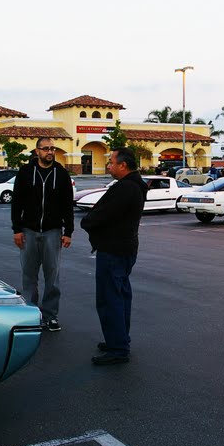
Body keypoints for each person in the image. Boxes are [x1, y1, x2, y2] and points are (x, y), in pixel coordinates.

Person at [80, 147, 146, 366]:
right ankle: (118, 340)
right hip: (124, 248)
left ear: (123, 165)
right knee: (120, 296)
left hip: (114, 250)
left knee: (111, 299)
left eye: (111, 162)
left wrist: (87, 223)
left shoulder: (126, 188)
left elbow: (103, 214)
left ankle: (118, 348)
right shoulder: (133, 186)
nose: (108, 165)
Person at [10, 137, 74, 332]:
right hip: (28, 231)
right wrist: (17, 229)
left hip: (53, 232)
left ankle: (50, 316)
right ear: (37, 151)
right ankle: (30, 315)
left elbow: (67, 205)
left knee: (52, 277)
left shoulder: (61, 174)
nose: (50, 152)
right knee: (29, 276)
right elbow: (17, 203)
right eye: (45, 149)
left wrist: (68, 231)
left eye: (52, 148)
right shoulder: (25, 173)